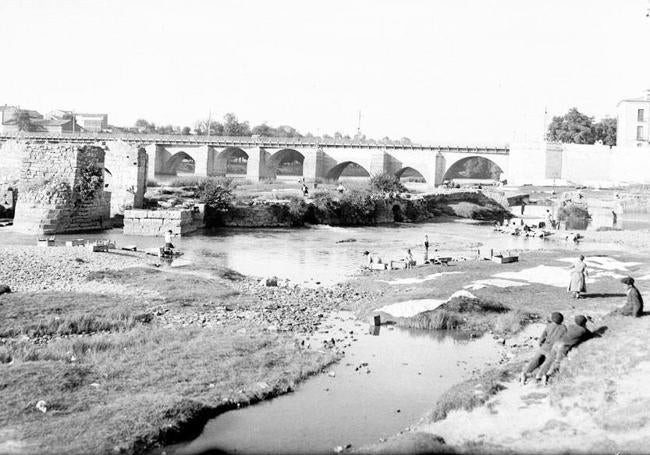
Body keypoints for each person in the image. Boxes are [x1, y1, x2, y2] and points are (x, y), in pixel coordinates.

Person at [536, 315, 592, 384]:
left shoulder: (570, 326)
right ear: (584, 323)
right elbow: (590, 335)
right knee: (558, 362)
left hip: (557, 343)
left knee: (549, 360)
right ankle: (548, 376)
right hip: (563, 347)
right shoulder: (583, 330)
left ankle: (539, 375)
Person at [519, 312, 567, 385]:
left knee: (535, 360)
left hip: (544, 347)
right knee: (547, 363)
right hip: (553, 349)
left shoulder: (549, 326)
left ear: (553, 319)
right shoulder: (564, 328)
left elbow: (541, 338)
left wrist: (541, 344)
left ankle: (525, 373)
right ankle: (540, 376)